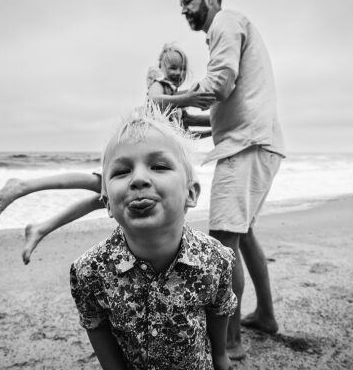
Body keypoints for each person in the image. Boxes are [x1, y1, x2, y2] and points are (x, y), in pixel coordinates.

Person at [0, 44, 214, 265]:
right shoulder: (160, 86)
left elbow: (188, 128)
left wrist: (217, 127)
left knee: (98, 199)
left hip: (142, 164)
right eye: (173, 67)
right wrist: (187, 100)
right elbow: (153, 101)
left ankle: (41, 228)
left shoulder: (175, 99)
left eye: (182, 69)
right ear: (161, 67)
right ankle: (23, 186)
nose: (177, 73)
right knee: (91, 183)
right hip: (135, 158)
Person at [70, 104, 237, 370]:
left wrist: (220, 355)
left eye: (158, 166)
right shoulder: (89, 271)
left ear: (190, 194)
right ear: (108, 204)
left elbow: (220, 310)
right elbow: (95, 323)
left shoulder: (216, 259)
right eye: (121, 171)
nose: (138, 179)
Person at [173, 0, 286, 360]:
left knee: (223, 243)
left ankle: (232, 341)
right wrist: (188, 121)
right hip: (256, 142)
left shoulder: (225, 22)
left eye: (188, 1)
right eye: (181, 6)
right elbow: (226, 108)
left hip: (246, 148)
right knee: (244, 234)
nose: (184, 10)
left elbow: (219, 86)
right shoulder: (231, 30)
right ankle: (266, 317)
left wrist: (174, 101)